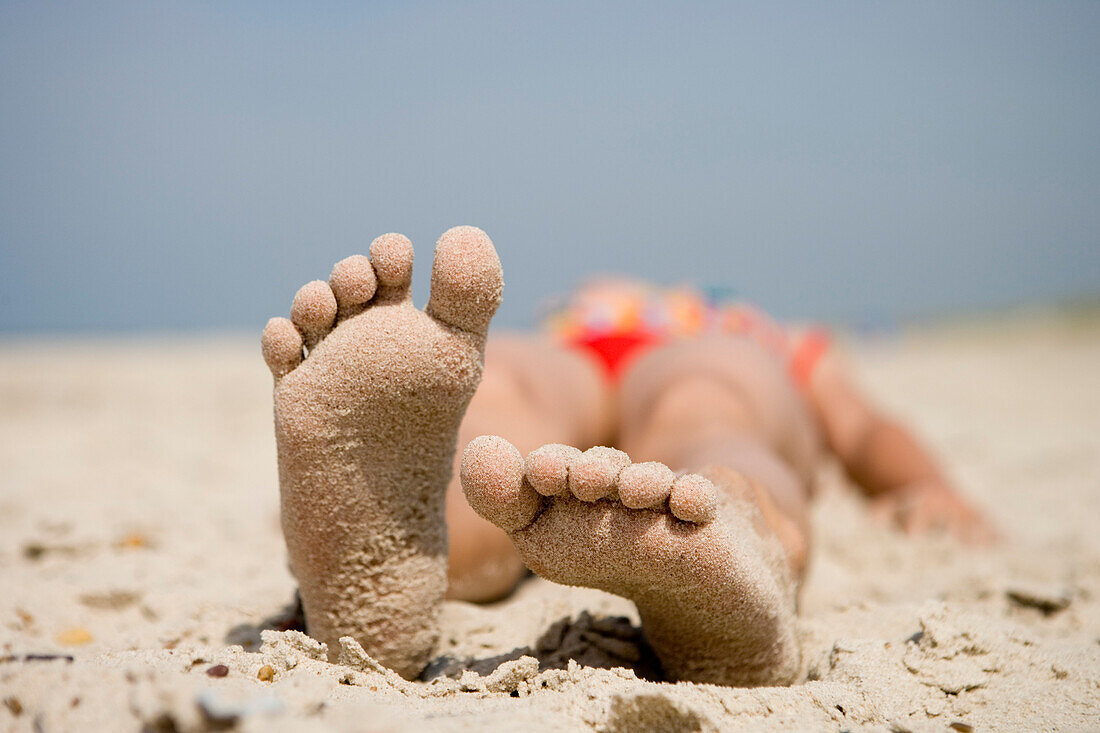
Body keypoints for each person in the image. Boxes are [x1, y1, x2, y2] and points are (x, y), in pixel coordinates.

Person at [261, 227, 994, 686]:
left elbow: (863, 428)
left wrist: (925, 482)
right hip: (593, 349)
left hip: (647, 352)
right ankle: (392, 544)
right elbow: (863, 426)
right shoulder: (710, 322)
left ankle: (729, 532)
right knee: (522, 421)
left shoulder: (774, 335)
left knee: (683, 406)